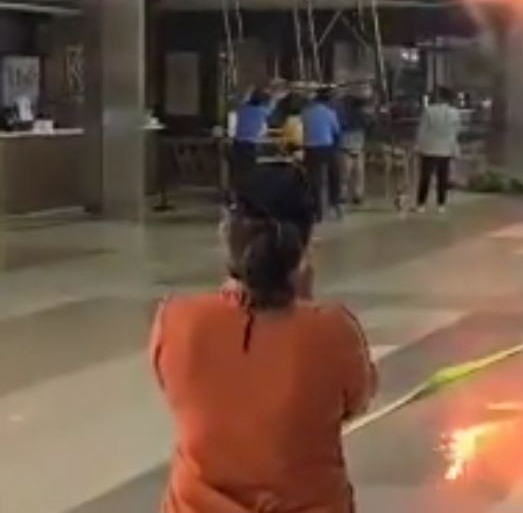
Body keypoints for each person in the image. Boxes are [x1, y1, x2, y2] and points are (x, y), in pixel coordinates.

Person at [151, 164, 376, 513]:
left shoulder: (176, 319)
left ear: (226, 234)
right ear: (304, 244)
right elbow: (356, 402)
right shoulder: (334, 331)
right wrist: (304, 306)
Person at [416, 87, 461, 213]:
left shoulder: (428, 111)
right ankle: (441, 204)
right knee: (443, 178)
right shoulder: (455, 113)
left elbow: (422, 131)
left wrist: (418, 146)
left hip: (429, 148)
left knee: (425, 177)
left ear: (439, 97)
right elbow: (455, 132)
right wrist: (454, 148)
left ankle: (421, 204)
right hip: (445, 149)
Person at [303, 89, 343, 220]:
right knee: (334, 175)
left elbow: (303, 127)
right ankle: (334, 203)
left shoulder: (305, 112)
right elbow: (337, 131)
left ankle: (317, 209)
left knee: (314, 179)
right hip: (327, 147)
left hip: (310, 148)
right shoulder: (330, 113)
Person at [231, 88, 271, 190]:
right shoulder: (262, 111)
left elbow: (239, 102)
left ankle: (235, 194)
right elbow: (271, 109)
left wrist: (247, 93)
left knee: (237, 170)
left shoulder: (242, 109)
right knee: (250, 171)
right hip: (251, 144)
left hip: (237, 143)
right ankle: (247, 192)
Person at [339, 94, 373, 206]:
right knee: (358, 174)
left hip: (346, 148)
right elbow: (369, 126)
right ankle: (357, 195)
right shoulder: (362, 116)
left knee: (345, 174)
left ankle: (343, 195)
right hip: (357, 147)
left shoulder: (344, 115)